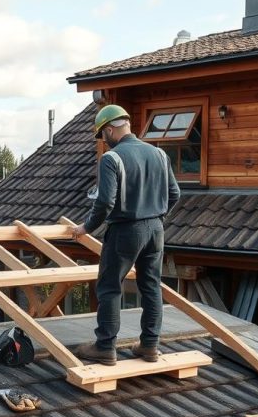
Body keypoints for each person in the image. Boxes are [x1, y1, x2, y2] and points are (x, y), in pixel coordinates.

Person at [70, 105, 180, 366]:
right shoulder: (159, 154)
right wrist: (157, 217)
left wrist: (86, 227)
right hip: (155, 230)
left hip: (125, 231)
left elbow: (105, 202)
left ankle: (105, 347)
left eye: (102, 135)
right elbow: (174, 193)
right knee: (151, 286)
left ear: (110, 129)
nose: (103, 141)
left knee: (109, 286)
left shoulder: (112, 158)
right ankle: (149, 346)